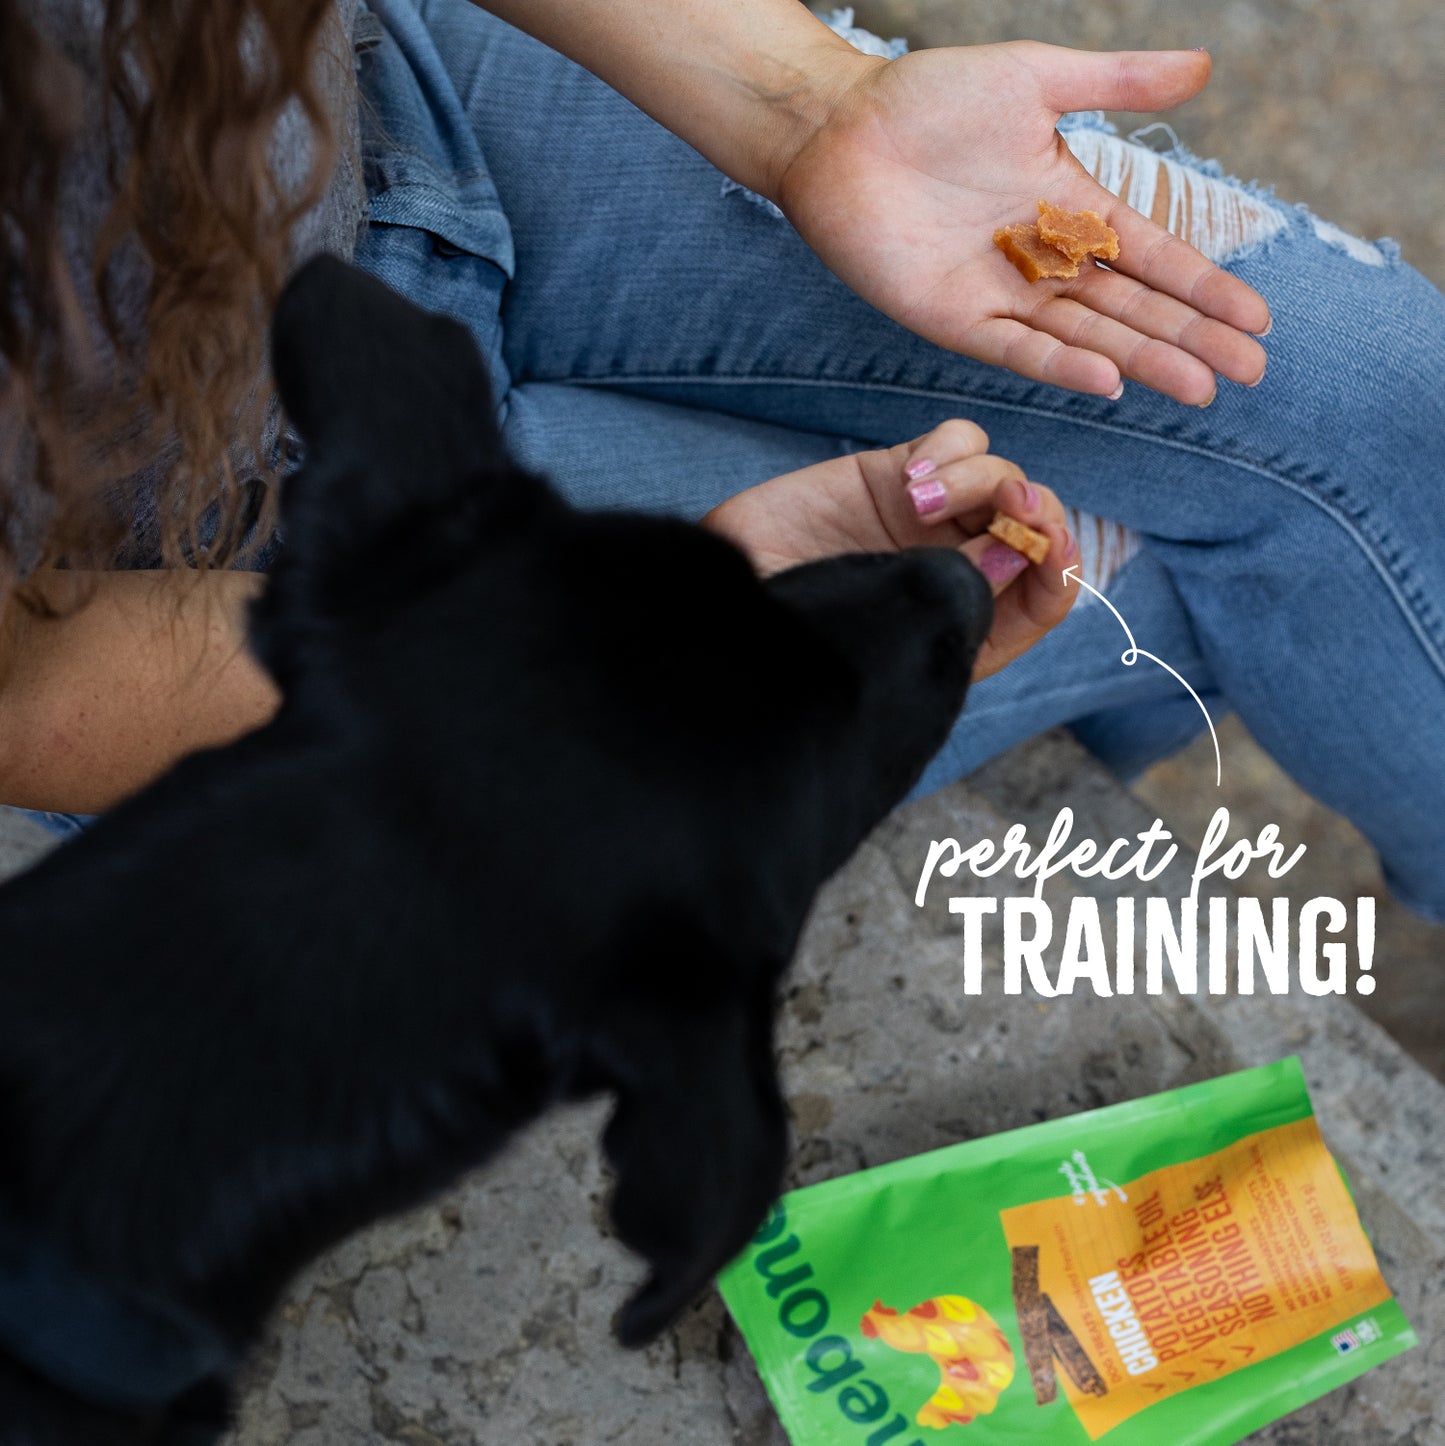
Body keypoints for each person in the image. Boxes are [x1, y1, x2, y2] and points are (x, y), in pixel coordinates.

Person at [1, 0, 1442, 922]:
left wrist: (805, 104)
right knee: (1121, 569)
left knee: (1368, 395)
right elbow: (25, 683)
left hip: (387, 101)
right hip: (248, 574)